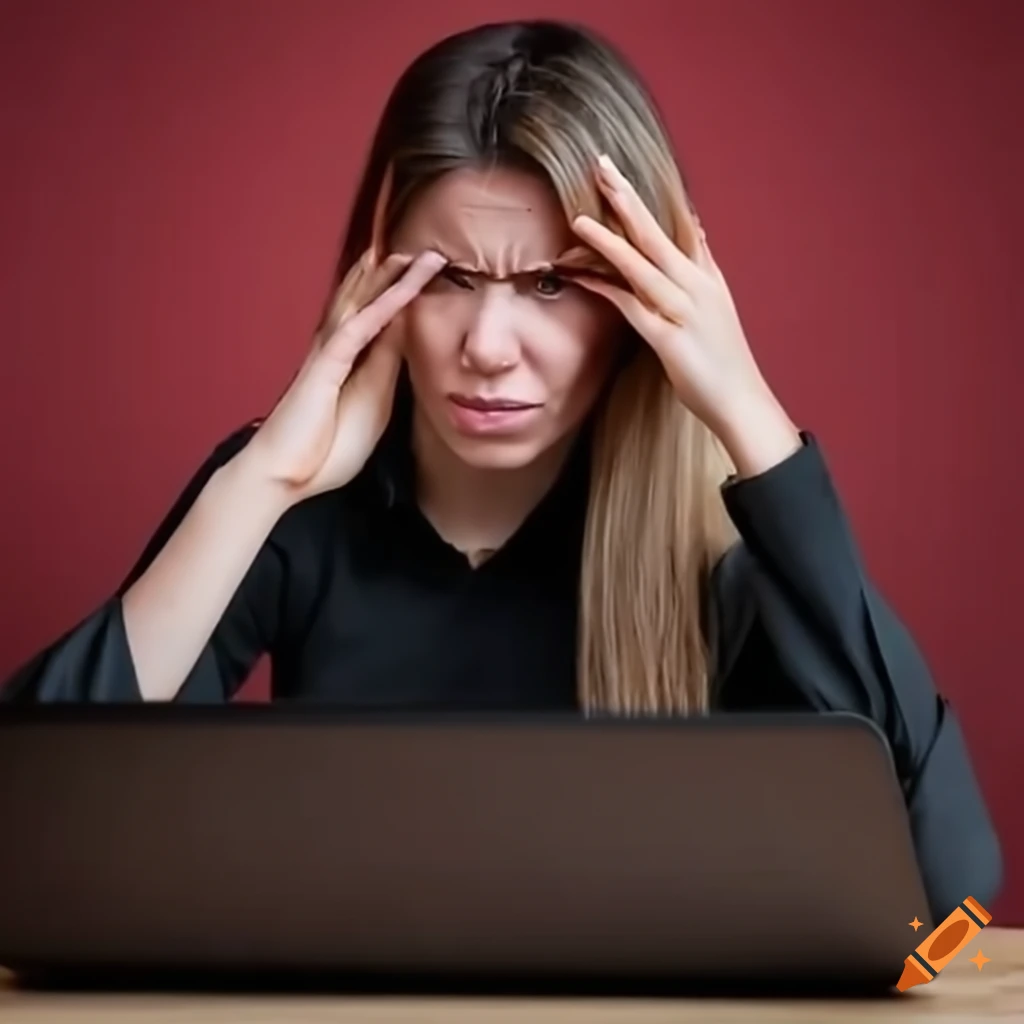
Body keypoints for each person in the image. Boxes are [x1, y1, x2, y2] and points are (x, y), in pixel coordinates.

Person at [1, 19, 1001, 922]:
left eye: (551, 284)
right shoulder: (286, 501)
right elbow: (29, 836)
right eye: (448, 278)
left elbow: (941, 886)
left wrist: (749, 417)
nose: (486, 346)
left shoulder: (722, 544)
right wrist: (261, 483)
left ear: (649, 300)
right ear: (376, 280)